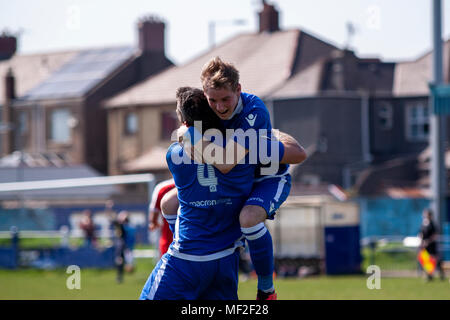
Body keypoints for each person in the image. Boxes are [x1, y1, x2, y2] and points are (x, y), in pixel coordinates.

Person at [162, 57, 307, 299]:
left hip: (265, 179)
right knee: (168, 202)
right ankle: (183, 255)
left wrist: (186, 135)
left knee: (248, 218)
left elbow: (226, 163)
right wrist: (186, 134)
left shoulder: (253, 111)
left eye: (225, 99)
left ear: (238, 89)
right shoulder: (209, 111)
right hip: (236, 180)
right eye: (213, 101)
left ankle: (266, 288)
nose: (219, 107)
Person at [140, 87, 255, 300]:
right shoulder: (236, 152)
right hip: (225, 260)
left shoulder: (174, 154)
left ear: (183, 119)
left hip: (187, 257)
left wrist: (186, 133)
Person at [148, 179, 176, 258]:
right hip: (194, 243)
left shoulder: (162, 188)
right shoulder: (195, 185)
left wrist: (154, 223)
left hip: (169, 243)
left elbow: (153, 220)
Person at [418, 208, 445, 281]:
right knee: (426, 260)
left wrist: (428, 241)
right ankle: (429, 275)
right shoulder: (423, 223)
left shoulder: (432, 224)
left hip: (431, 245)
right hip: (424, 245)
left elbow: (435, 235)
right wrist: (421, 240)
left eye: (426, 214)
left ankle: (441, 274)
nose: (425, 215)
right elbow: (421, 233)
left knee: (435, 260)